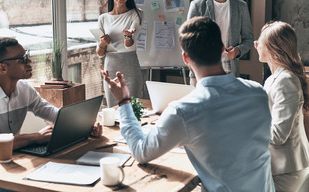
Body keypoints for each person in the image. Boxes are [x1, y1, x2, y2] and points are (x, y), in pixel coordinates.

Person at [103, 16, 275, 191]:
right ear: (222, 49)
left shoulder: (184, 111)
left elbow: (141, 152)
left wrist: (124, 101)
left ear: (185, 58)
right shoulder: (258, 93)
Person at [0, 37, 102, 192]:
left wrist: (85, 124)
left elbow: (56, 115)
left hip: (7, 165)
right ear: (2, 68)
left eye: (27, 55)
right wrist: (35, 137)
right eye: (22, 59)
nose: (29, 62)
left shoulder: (24, 89)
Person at [255, 21, 309, 191]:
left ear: (273, 48)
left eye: (259, 42)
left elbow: (278, 135)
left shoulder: (286, 81)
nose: (255, 45)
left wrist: (247, 128)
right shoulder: (273, 79)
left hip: (287, 169)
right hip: (275, 166)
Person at [187, 0, 253, 85]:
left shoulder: (241, 7)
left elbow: (249, 39)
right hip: (202, 69)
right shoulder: (197, 6)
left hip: (230, 69)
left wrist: (237, 51)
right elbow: (188, 40)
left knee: (228, 105)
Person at [96, 0, 143, 107]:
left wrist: (128, 36)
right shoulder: (103, 18)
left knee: (133, 108)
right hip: (110, 65)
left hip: (130, 65)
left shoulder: (136, 13)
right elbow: (100, 53)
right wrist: (102, 44)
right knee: (113, 110)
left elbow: (129, 45)